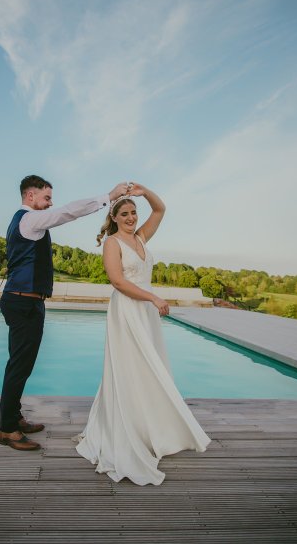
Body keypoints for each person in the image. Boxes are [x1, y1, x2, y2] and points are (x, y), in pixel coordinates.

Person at [75, 183, 211, 485]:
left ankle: (151, 428)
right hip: (128, 310)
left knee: (151, 367)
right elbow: (118, 282)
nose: (131, 217)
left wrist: (143, 191)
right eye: (124, 213)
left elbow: (161, 209)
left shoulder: (141, 237)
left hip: (146, 311)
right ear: (114, 217)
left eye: (134, 212)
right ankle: (127, 430)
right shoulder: (112, 243)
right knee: (130, 368)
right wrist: (153, 298)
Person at [0, 175, 131, 451]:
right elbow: (67, 212)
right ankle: (7, 430)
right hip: (23, 303)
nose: (50, 203)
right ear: (30, 196)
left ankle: (13, 417)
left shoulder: (24, 222)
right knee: (19, 367)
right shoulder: (29, 219)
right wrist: (108, 196)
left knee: (19, 365)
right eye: (46, 197)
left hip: (24, 301)